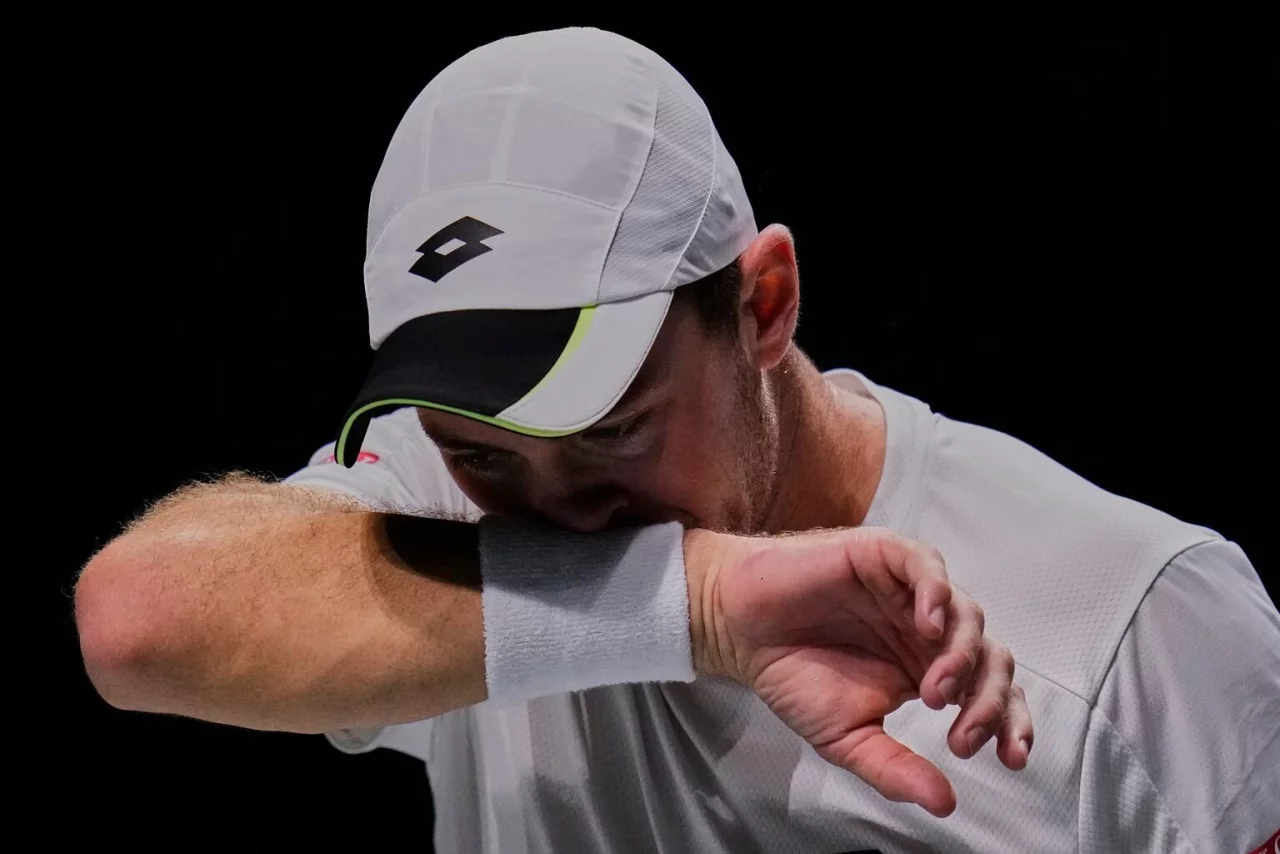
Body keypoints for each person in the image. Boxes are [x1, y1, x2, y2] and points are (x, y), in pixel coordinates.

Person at [73, 27, 1278, 854]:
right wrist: (697, 599)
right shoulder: (440, 493)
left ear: (763, 305)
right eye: (483, 452)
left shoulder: (1135, 618)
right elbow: (135, 620)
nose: (557, 509)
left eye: (610, 427)